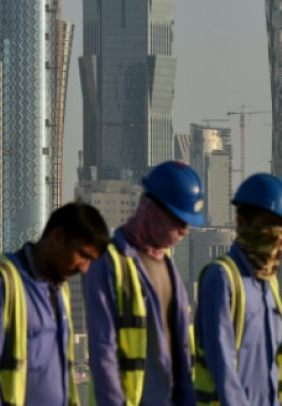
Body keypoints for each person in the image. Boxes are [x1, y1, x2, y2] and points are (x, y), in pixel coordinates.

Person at [0, 202, 110, 406]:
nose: (85, 268)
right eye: (83, 255)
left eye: (91, 261)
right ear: (57, 237)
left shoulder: (60, 291)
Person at [84, 161, 204, 405]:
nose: (184, 230)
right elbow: (103, 351)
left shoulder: (168, 266)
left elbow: (179, 349)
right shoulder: (108, 262)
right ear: (154, 210)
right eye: (178, 220)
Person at [194, 173, 282, 406]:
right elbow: (223, 367)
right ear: (241, 221)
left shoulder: (270, 283)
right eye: (269, 223)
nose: (277, 234)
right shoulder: (221, 278)